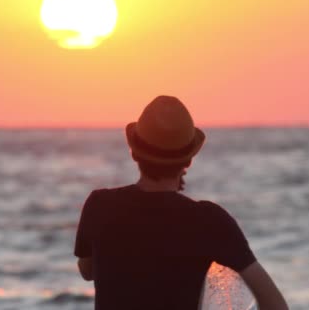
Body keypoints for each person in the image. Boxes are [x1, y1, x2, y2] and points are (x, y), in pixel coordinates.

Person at [74, 95, 289, 310]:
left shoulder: (100, 205)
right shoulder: (209, 221)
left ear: (134, 152)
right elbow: (276, 305)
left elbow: (88, 271)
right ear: (189, 159)